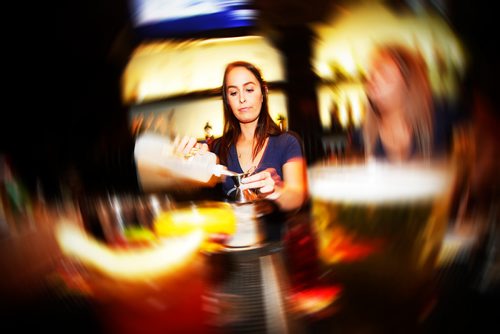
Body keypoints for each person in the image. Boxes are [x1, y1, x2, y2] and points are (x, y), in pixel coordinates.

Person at [144, 61, 308, 213]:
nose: (242, 99)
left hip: (277, 244)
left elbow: (297, 197)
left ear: (263, 92)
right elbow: (206, 170)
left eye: (249, 89)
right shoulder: (218, 148)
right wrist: (185, 164)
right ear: (227, 100)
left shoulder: (287, 142)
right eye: (233, 92)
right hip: (231, 242)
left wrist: (275, 191)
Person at [358, 44, 452, 162]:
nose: (372, 78)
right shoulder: (363, 135)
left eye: (382, 71)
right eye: (370, 74)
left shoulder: (439, 116)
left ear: (409, 80)